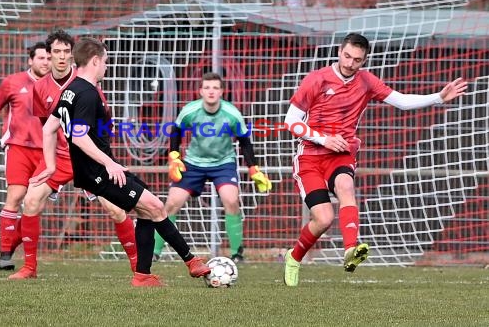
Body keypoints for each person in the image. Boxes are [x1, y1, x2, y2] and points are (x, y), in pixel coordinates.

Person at [282, 33, 468, 286]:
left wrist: (438, 97)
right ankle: (294, 258)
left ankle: (350, 250)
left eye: (357, 60)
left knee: (346, 187)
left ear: (364, 60)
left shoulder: (366, 81)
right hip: (311, 158)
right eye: (347, 56)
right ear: (339, 51)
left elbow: (400, 101)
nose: (350, 64)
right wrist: (323, 138)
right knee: (323, 219)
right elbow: (290, 122)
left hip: (341, 154)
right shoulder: (315, 79)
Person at [32, 37, 211, 287]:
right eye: (105, 61)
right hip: (97, 171)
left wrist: (50, 165)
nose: (106, 67)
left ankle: (143, 275)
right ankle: (191, 262)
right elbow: (80, 138)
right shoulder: (86, 93)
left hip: (92, 170)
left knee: (146, 210)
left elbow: (50, 128)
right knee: (156, 207)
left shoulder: (70, 90)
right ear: (95, 61)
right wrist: (109, 164)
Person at [8, 30, 138, 280]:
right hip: (61, 157)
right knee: (32, 199)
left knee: (115, 209)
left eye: (66, 51)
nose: (61, 57)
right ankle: (29, 268)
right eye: (56, 52)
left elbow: (101, 126)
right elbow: (49, 126)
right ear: (49, 54)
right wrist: (49, 163)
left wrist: (104, 157)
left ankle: (138, 269)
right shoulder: (40, 88)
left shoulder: (88, 85)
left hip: (88, 157)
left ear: (73, 55)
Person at [153, 72, 272, 263]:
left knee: (231, 200)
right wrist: (174, 156)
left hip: (223, 164)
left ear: (222, 92)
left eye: (215, 88)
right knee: (171, 203)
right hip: (193, 163)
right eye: (207, 87)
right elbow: (176, 130)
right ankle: (155, 251)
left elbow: (245, 141)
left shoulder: (232, 113)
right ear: (200, 91)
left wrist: (253, 168)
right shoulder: (190, 110)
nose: (211, 91)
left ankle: (237, 253)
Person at [0, 42, 51, 270]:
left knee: (35, 204)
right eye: (41, 58)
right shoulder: (13, 82)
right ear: (31, 60)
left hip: (48, 153)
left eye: (48, 58)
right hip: (18, 147)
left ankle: (16, 249)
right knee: (16, 196)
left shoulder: (59, 85)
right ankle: (5, 254)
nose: (46, 62)